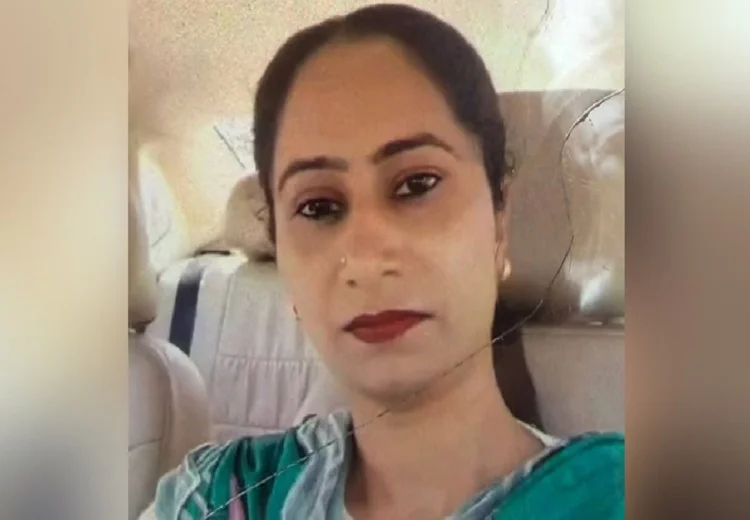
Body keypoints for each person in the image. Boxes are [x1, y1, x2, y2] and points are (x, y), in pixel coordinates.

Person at [140, 4, 623, 519]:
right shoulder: (219, 496)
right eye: (318, 207)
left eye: (417, 184)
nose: (366, 260)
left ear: (499, 222)